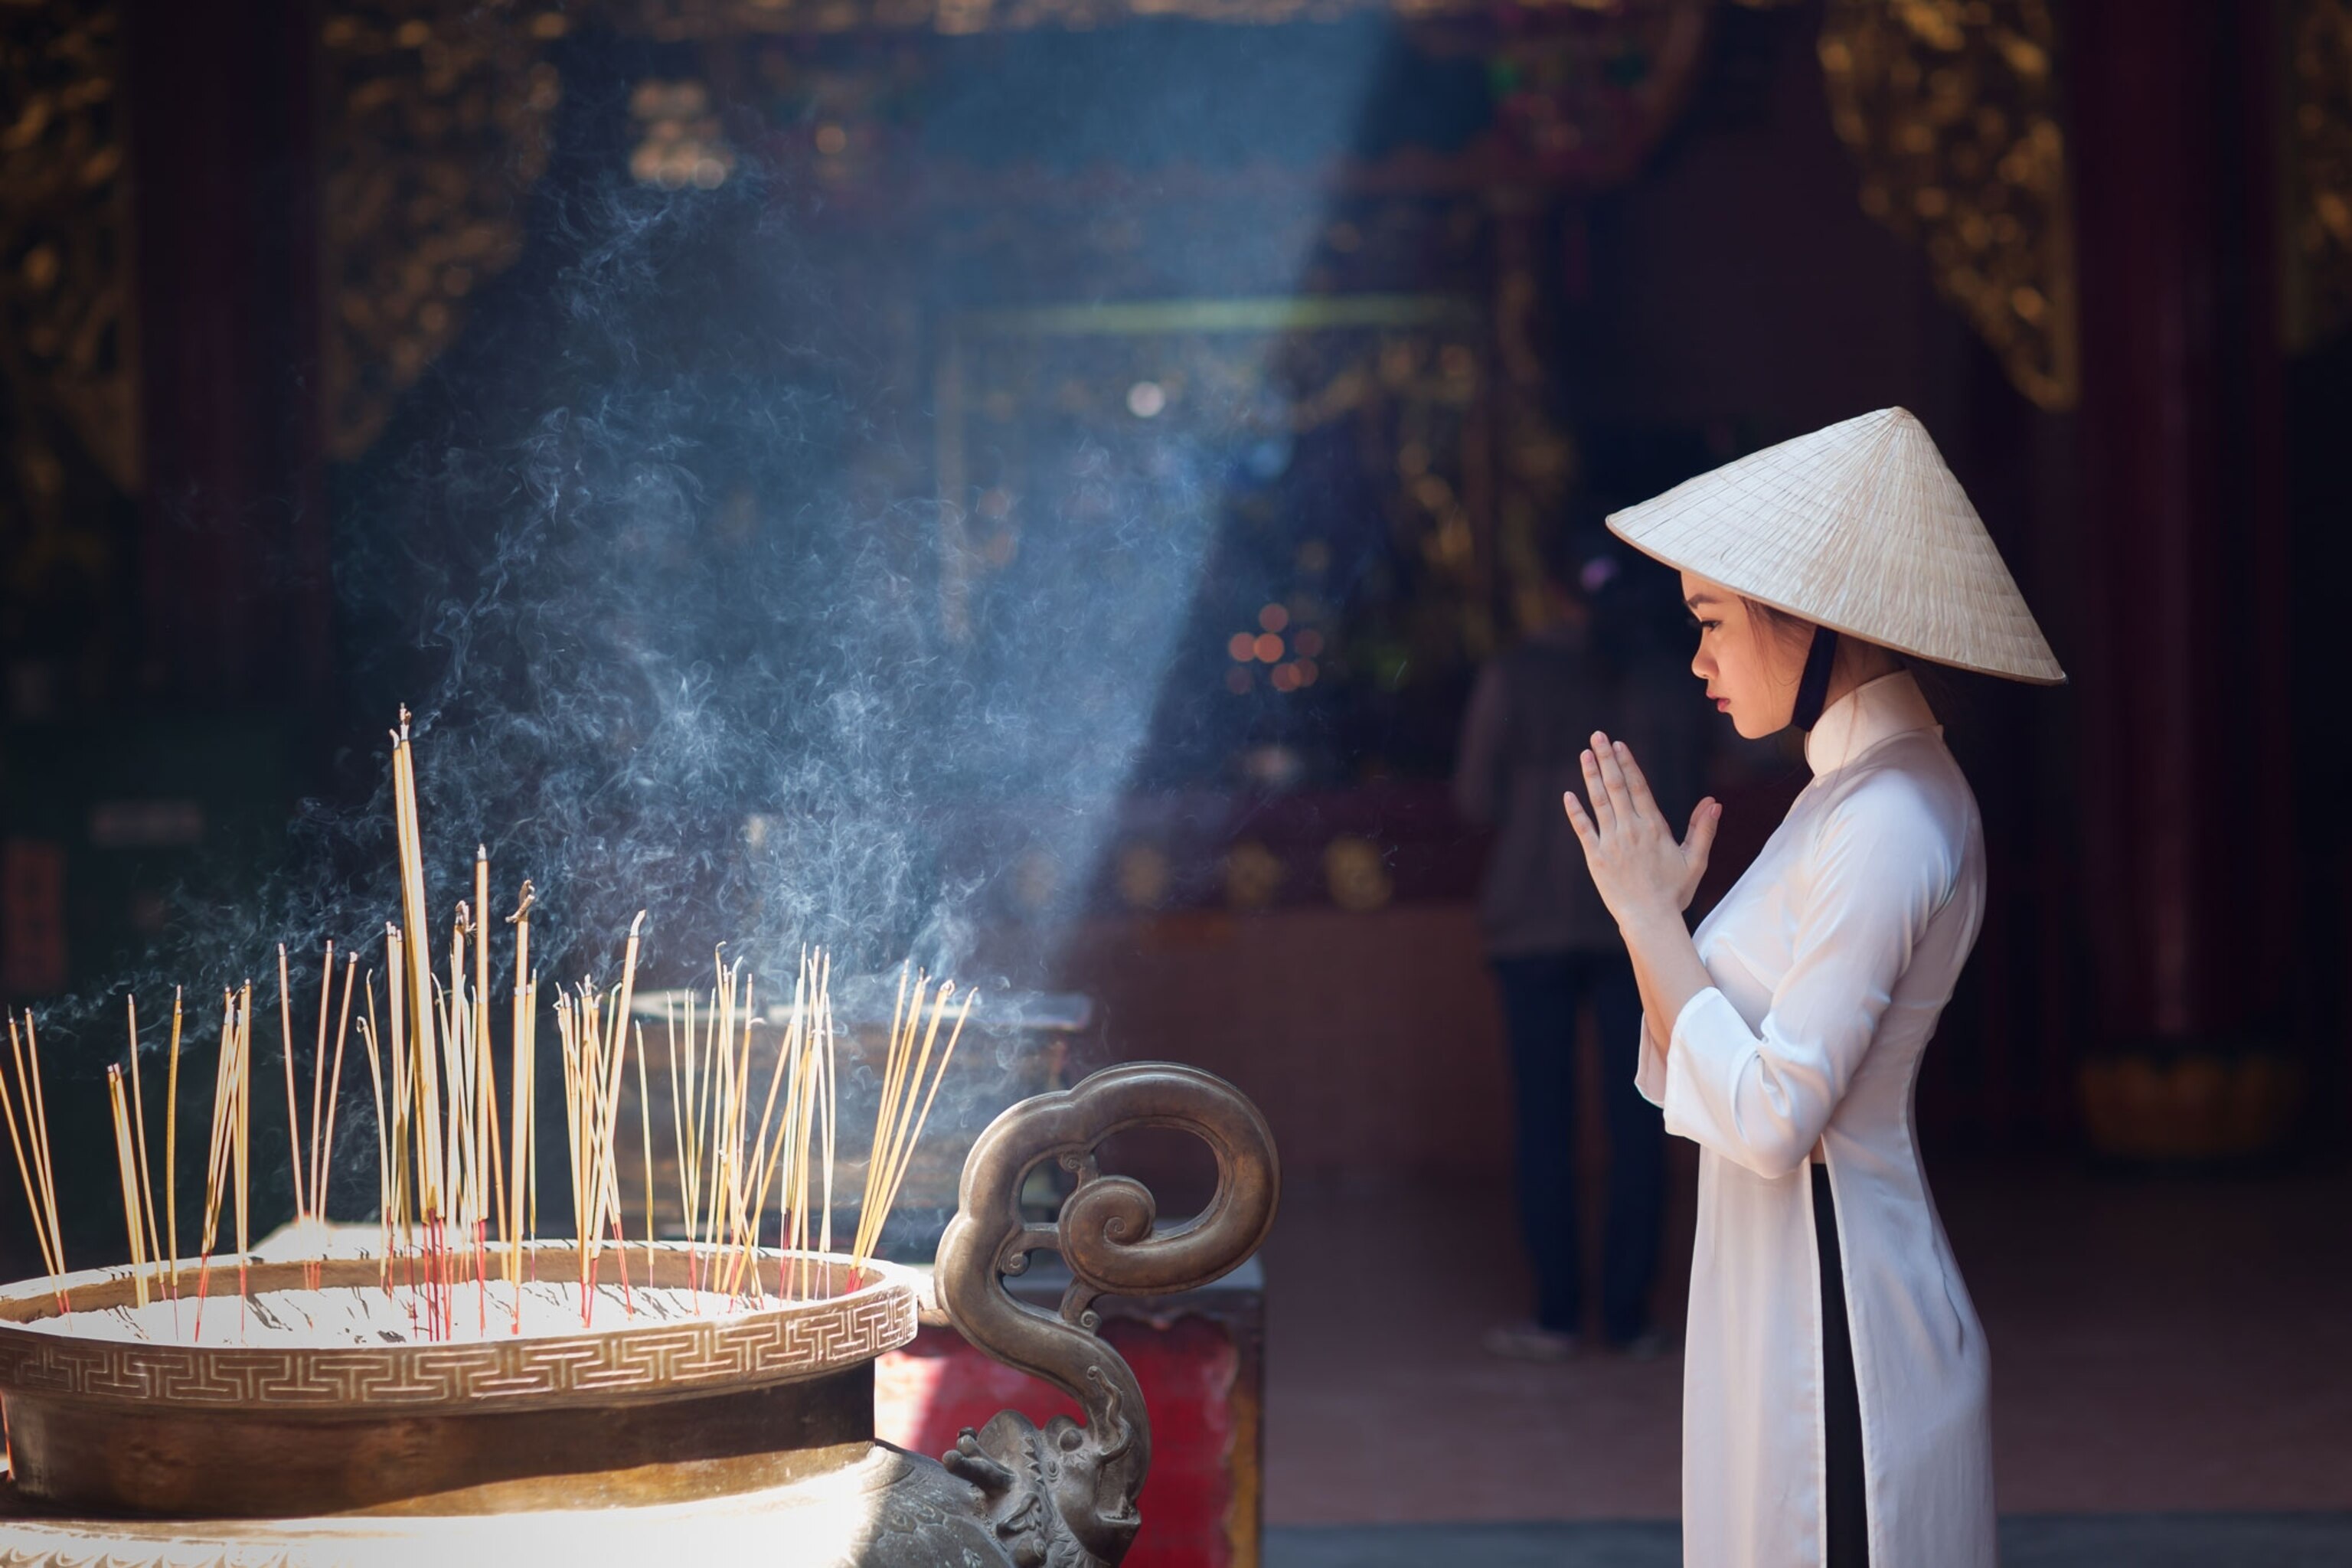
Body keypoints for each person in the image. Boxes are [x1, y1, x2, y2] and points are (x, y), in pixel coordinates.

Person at [1559, 407, 2063, 1568]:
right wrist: (1657, 928)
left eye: (1713, 622)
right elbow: (1705, 1057)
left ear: (1811, 616)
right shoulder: (1846, 796)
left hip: (1837, 1329)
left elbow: (1777, 1116)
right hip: (1784, 1285)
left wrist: (1649, 919)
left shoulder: (1887, 814)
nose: (1699, 661)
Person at [1453, 522, 1700, 1360]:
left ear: (1552, 587)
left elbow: (1475, 795)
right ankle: (1630, 1317)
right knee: (1643, 1117)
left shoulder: (1516, 674)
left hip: (1532, 920)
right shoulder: (1672, 679)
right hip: (1640, 926)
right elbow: (1707, 786)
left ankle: (1556, 1313)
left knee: (1544, 1123)